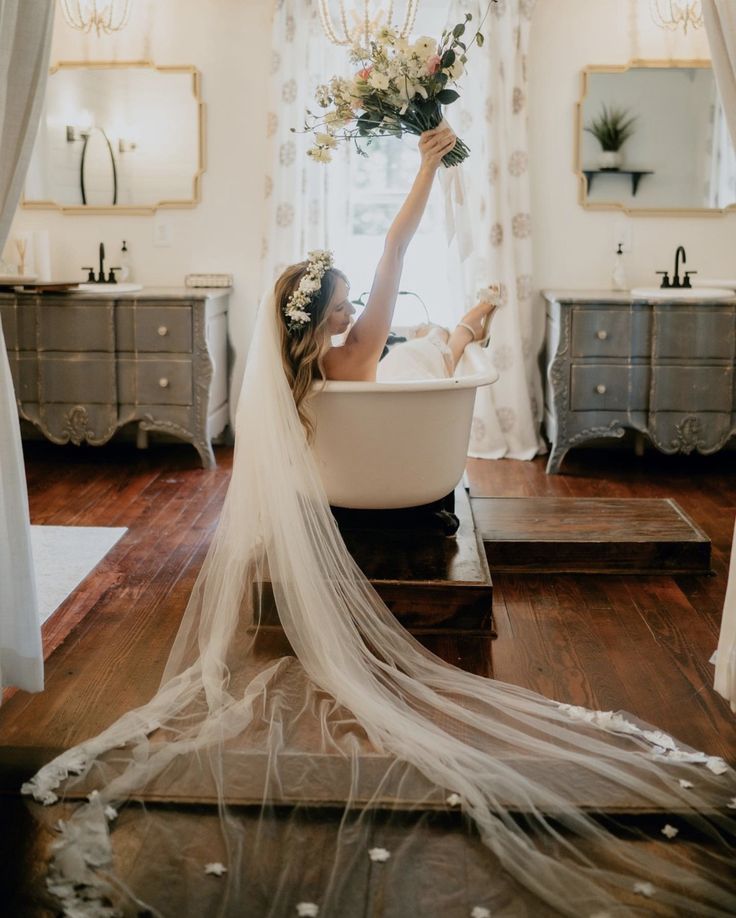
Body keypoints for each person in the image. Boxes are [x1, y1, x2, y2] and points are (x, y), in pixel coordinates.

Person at [22, 131, 736, 918]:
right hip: (413, 484)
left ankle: (466, 328)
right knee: (434, 347)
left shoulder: (302, 373)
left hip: (345, 482)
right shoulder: (361, 348)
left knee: (426, 346)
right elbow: (398, 244)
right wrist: (427, 166)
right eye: (347, 304)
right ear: (327, 318)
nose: (359, 308)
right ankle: (474, 324)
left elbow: (363, 303)